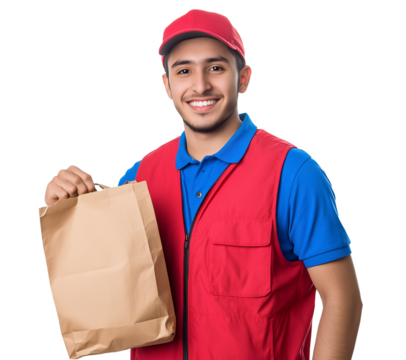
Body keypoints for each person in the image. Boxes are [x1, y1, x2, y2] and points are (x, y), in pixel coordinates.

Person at [44, 8, 363, 360]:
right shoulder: (137, 177)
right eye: (184, 70)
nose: (200, 85)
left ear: (243, 77)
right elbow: (103, 295)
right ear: (167, 85)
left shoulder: (294, 174)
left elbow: (342, 299)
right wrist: (69, 208)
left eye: (216, 67)